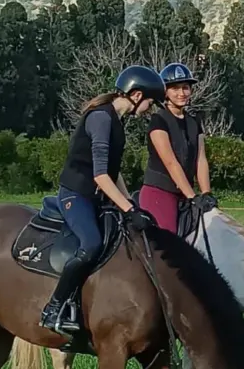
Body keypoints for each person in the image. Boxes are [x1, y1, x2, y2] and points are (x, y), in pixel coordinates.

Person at [39, 65, 165, 336]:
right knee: (91, 245)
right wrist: (128, 209)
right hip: (76, 195)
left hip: (97, 196)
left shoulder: (117, 121)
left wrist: (132, 203)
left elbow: (113, 172)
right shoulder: (100, 118)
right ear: (137, 95)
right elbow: (100, 176)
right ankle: (54, 307)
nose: (149, 109)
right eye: (150, 103)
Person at [139, 62, 217, 233]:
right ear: (165, 92)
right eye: (175, 88)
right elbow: (170, 162)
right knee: (170, 241)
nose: (181, 93)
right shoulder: (158, 121)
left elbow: (200, 159)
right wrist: (192, 197)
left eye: (185, 88)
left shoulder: (194, 122)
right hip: (159, 192)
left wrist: (206, 193)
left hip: (185, 194)